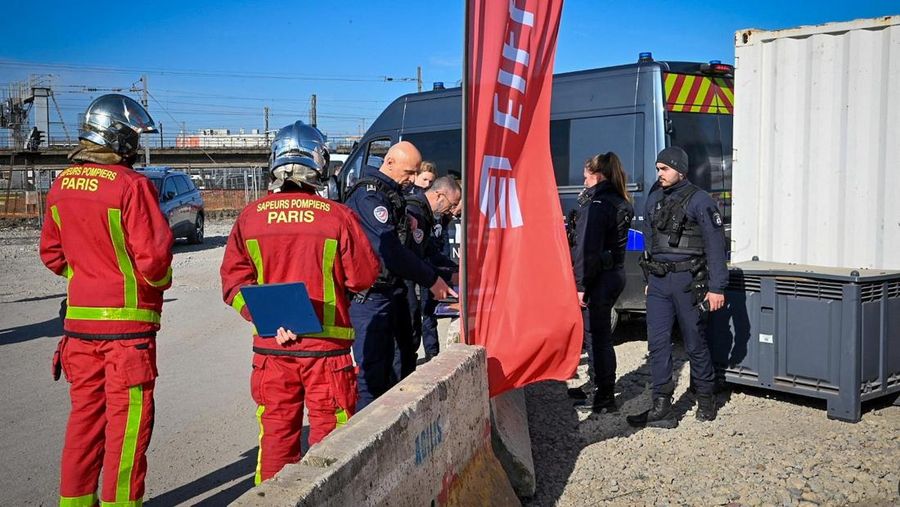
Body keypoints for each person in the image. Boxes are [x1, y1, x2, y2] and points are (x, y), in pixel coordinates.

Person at [220, 121, 380, 484]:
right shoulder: (338, 217)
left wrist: (263, 316)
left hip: (272, 350)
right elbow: (363, 276)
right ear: (319, 164)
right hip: (326, 350)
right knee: (332, 446)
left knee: (275, 439)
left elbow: (233, 283)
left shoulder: (251, 216)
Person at [40, 94, 173, 507]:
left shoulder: (62, 184)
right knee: (126, 431)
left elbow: (52, 256)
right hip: (126, 335)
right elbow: (155, 263)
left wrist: (89, 275)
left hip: (78, 333)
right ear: (120, 139)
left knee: (83, 425)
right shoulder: (132, 186)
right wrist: (152, 282)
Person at [344, 141, 456, 410]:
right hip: (368, 298)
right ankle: (365, 440)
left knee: (397, 363)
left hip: (389, 293)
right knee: (372, 376)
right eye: (408, 173)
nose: (413, 180)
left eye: (416, 173)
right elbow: (390, 251)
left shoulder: (393, 197)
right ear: (390, 163)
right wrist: (432, 279)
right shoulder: (369, 196)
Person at [626, 146, 728, 428]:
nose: (659, 174)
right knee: (657, 345)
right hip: (659, 282)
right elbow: (648, 240)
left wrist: (717, 287)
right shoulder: (655, 197)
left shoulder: (700, 201)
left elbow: (716, 247)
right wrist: (648, 281)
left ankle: (705, 398)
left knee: (695, 342)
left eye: (664, 169)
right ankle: (661, 404)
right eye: (658, 169)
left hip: (688, 282)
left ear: (680, 170)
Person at [570, 152, 634, 413]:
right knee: (597, 335)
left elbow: (587, 249)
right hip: (613, 274)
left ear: (597, 175)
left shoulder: (598, 204)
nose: (583, 182)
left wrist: (580, 285)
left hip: (598, 279)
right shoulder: (618, 199)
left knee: (598, 337)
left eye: (585, 177)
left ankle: (605, 396)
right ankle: (598, 385)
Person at [398, 175, 461, 374]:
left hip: (412, 280)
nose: (451, 211)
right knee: (409, 333)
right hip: (403, 283)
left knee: (413, 331)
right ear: (440, 195)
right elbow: (417, 258)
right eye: (451, 205)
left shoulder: (424, 214)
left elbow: (431, 251)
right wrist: (436, 280)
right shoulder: (415, 211)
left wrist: (453, 270)